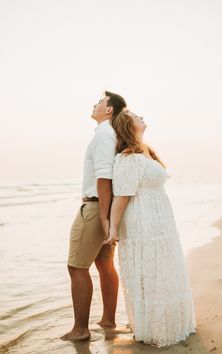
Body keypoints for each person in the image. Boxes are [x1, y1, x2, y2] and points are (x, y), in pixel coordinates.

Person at [104, 109, 196, 347]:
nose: (141, 116)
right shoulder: (127, 157)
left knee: (164, 269)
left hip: (160, 219)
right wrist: (113, 229)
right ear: (127, 124)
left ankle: (170, 322)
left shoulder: (144, 151)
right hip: (142, 221)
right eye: (135, 115)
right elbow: (121, 196)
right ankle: (154, 326)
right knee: (150, 269)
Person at [61, 91, 127, 341]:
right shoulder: (111, 134)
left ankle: (80, 330)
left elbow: (104, 177)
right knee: (104, 264)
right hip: (105, 207)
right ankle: (108, 320)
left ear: (109, 110)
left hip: (95, 207)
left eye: (100, 102)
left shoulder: (103, 134)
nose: (95, 104)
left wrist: (101, 218)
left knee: (76, 266)